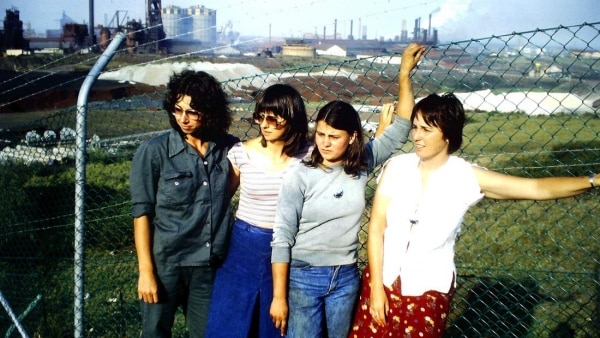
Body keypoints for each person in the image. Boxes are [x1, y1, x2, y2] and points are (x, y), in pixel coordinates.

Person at [348, 92, 599, 338]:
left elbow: (535, 188)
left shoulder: (466, 176)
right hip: (383, 278)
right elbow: (377, 227)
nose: (417, 136)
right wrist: (377, 289)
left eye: (426, 130)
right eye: (415, 127)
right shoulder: (397, 167)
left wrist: (591, 180)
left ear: (447, 135)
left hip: (429, 284)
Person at [270, 43, 427, 338]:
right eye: (321, 135)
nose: (324, 143)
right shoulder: (300, 176)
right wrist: (279, 297)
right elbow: (282, 238)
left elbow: (402, 126)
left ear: (352, 136)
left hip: (345, 277)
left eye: (334, 136)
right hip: (303, 277)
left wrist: (404, 75)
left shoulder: (362, 162)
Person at [129, 70, 239, 338]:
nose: (184, 119)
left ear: (210, 110)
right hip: (167, 265)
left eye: (193, 110)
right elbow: (141, 214)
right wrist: (146, 272)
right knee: (155, 333)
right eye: (178, 110)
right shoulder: (154, 151)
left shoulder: (230, 149)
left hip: (209, 267)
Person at [205, 83, 311, 338]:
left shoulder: (309, 154)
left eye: (273, 118)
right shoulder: (241, 153)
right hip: (244, 247)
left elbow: (354, 158)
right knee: (229, 324)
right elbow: (219, 201)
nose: (265, 124)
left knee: (275, 327)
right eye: (260, 117)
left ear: (292, 118)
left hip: (289, 248)